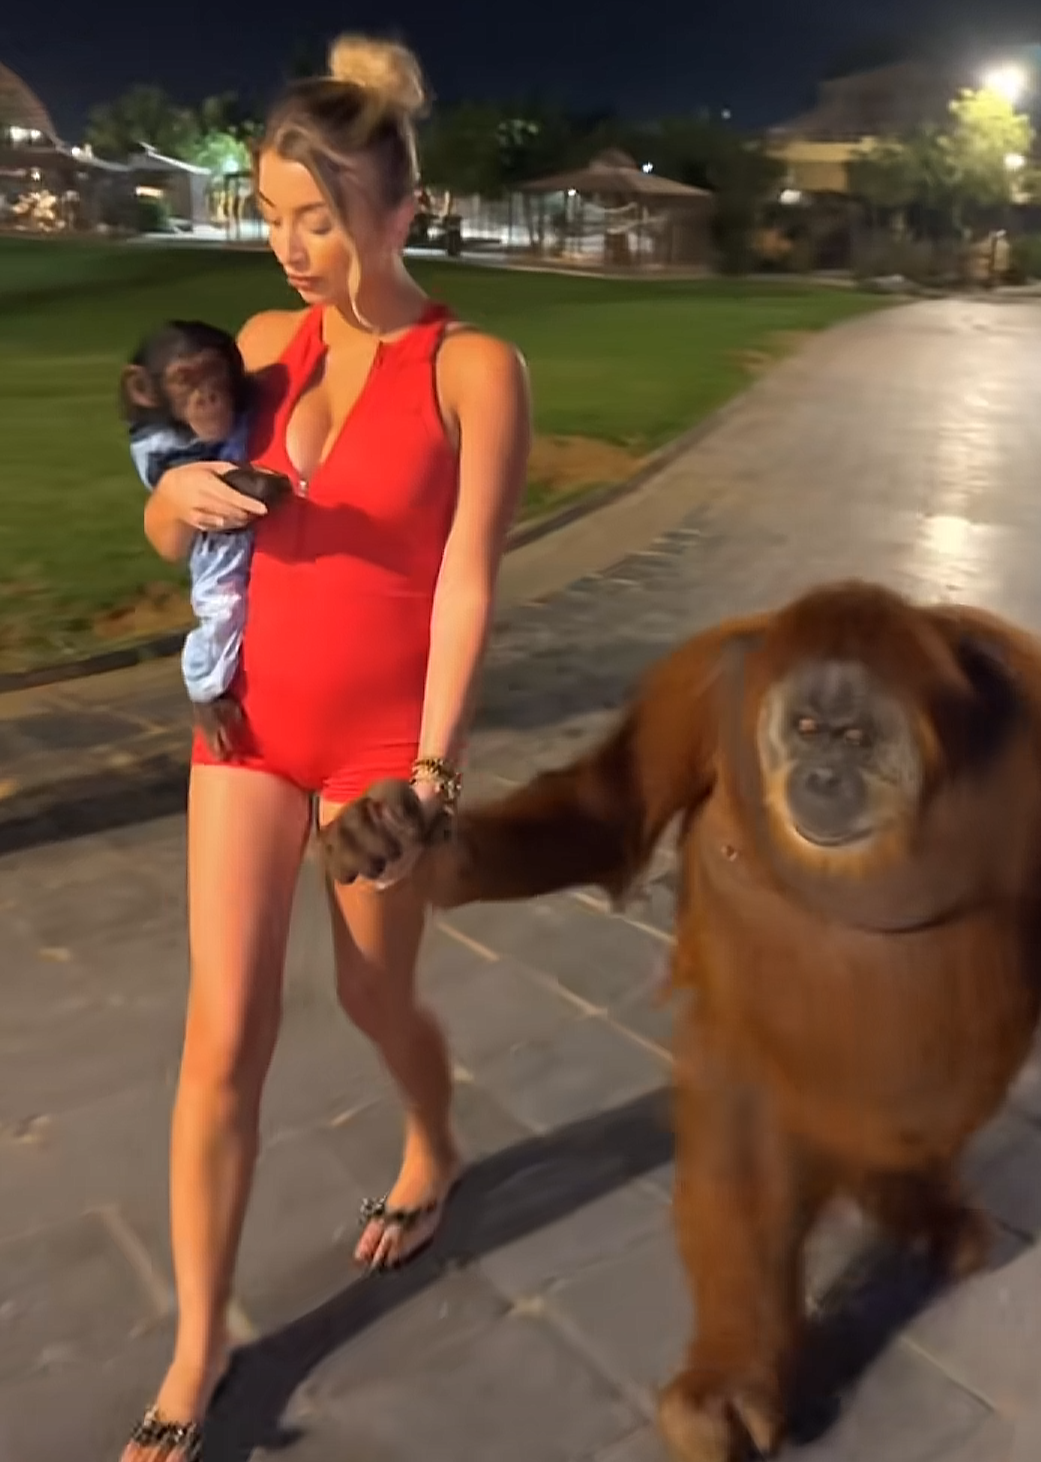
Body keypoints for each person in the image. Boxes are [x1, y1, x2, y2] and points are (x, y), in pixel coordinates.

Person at [122, 33, 531, 1462]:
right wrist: (180, 506)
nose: (289, 247)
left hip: (378, 754)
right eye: (274, 213)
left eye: (320, 217)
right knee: (221, 1033)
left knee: (372, 994)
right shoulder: (256, 344)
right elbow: (167, 522)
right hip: (246, 729)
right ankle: (198, 1344)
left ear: (401, 209)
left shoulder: (474, 369)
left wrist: (432, 777)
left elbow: (468, 584)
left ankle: (434, 1140)